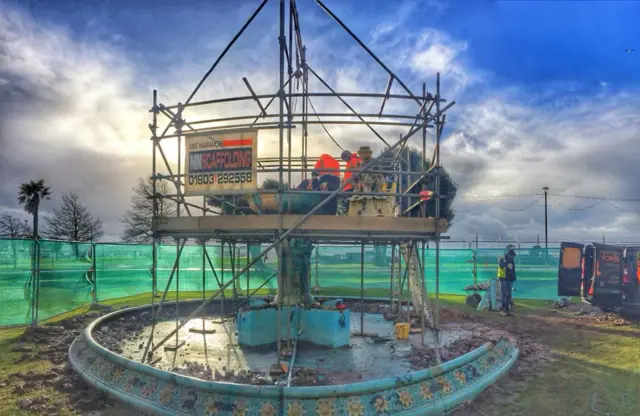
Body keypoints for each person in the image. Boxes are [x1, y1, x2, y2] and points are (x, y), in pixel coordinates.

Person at [499, 246, 517, 316]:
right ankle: (503, 310)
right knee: (504, 294)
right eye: (512, 256)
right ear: (508, 255)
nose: (512, 258)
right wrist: (507, 261)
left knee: (509, 295)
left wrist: (514, 278)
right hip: (503, 278)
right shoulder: (502, 258)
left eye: (513, 257)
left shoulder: (512, 260)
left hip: (510, 279)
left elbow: (512, 269)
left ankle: (507, 310)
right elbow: (501, 265)